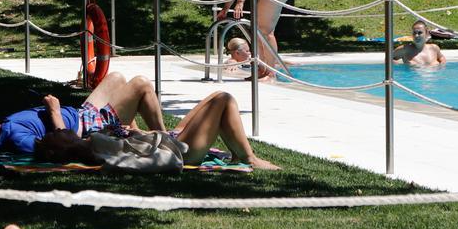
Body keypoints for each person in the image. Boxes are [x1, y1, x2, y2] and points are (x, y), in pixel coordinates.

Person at [34, 91, 280, 171]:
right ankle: (249, 158)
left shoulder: (89, 144)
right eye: (57, 134)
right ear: (65, 144)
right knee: (223, 100)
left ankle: (238, 153)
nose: (57, 131)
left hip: (167, 141)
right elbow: (141, 161)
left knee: (215, 97)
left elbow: (131, 147)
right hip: (181, 152)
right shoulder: (96, 150)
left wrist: (135, 133)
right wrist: (141, 137)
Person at [0, 72, 166, 154]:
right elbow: (63, 146)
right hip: (88, 128)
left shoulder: (6, 127)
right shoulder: (14, 137)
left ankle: (131, 131)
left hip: (82, 115)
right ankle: (167, 142)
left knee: (117, 78)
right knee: (141, 84)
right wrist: (54, 111)